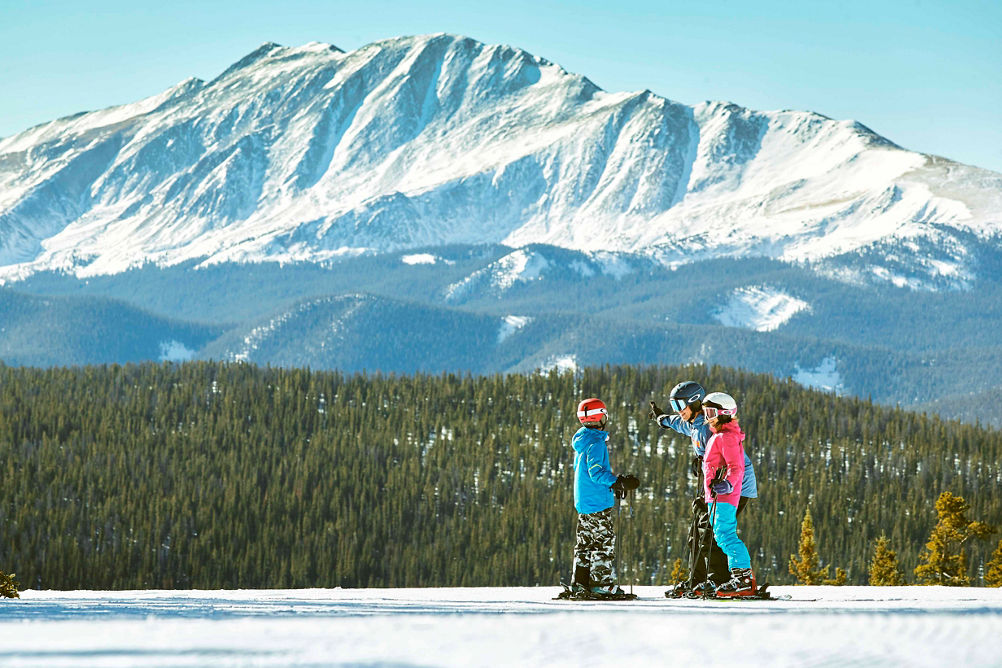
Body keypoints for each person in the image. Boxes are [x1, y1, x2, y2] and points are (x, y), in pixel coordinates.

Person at [649, 381, 757, 597]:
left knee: (712, 531)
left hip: (734, 486)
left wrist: (708, 466)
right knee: (697, 532)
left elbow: (732, 462)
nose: (678, 411)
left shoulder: (711, 428)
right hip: (714, 487)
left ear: (695, 403)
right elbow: (678, 424)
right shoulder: (694, 423)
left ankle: (719, 578)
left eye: (680, 406)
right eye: (674, 406)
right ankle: (698, 579)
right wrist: (662, 419)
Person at [570, 397, 639, 597]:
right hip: (597, 502)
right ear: (600, 417)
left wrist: (612, 485)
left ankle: (580, 582)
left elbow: (584, 473)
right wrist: (617, 482)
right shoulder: (596, 443)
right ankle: (601, 582)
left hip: (585, 501)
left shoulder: (582, 441)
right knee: (603, 540)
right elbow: (596, 473)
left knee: (585, 542)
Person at [700, 391, 756, 596]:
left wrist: (728, 484)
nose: (707, 417)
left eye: (711, 412)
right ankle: (738, 577)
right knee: (720, 535)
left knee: (725, 535)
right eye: (705, 412)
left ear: (724, 413)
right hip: (715, 495)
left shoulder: (727, 437)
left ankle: (743, 578)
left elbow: (736, 467)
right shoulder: (718, 436)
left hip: (724, 495)